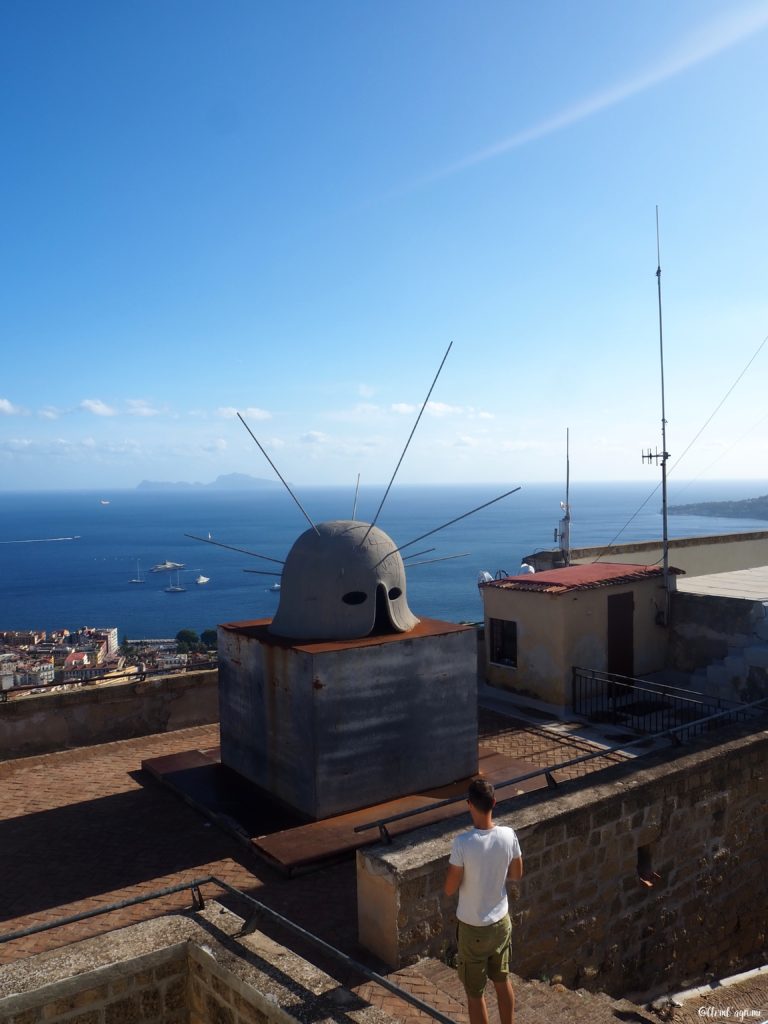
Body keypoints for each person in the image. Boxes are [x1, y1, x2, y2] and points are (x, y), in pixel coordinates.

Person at [444, 778, 523, 1024]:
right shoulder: (509, 835)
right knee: (502, 980)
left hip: (472, 927)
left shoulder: (462, 844)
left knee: (474, 993)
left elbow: (449, 888)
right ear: (494, 803)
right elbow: (517, 874)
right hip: (501, 923)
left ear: (469, 805)